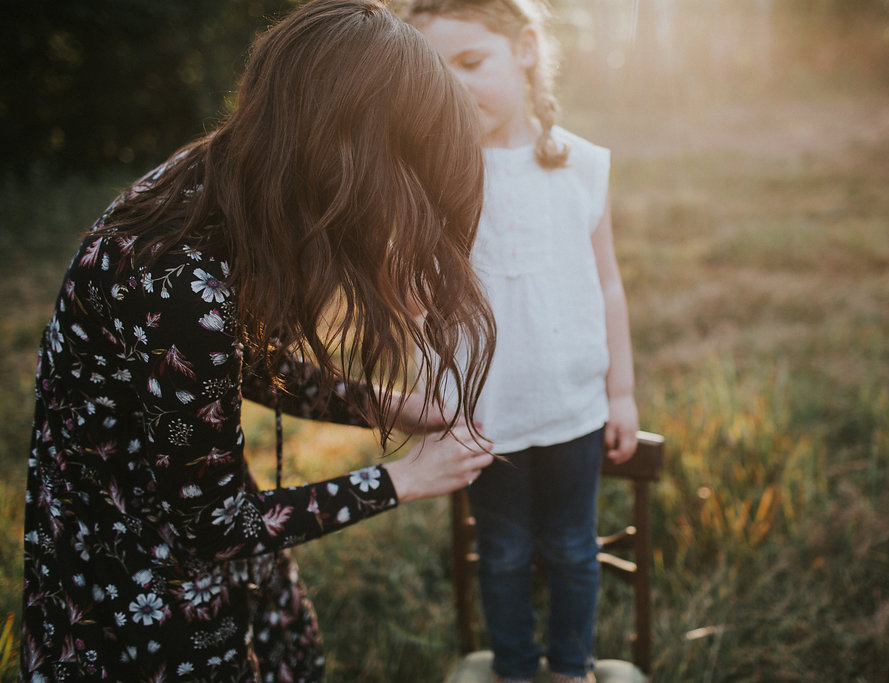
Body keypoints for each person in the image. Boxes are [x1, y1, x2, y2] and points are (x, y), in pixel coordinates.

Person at [20, 1, 498, 680]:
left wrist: (387, 404)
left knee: (282, 657)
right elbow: (213, 526)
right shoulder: (178, 283)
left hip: (181, 510)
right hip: (131, 576)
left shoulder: (224, 176)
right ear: (344, 150)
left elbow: (239, 366)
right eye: (404, 184)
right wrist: (402, 479)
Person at [405, 2, 639, 682]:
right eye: (433, 75)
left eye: (471, 64)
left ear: (526, 50)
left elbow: (609, 284)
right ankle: (512, 667)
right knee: (502, 552)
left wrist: (619, 390)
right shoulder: (434, 180)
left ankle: (571, 668)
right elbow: (417, 301)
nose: (453, 89)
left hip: (572, 406)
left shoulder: (582, 165)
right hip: (484, 415)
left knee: (572, 548)